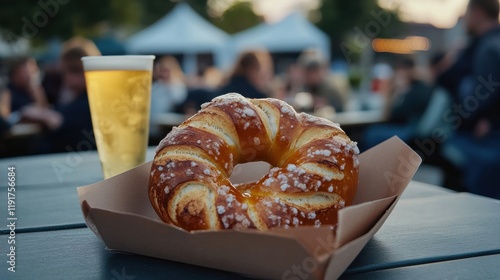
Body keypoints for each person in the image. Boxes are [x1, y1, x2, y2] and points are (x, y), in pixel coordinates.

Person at [437, 0, 500, 198]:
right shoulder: (483, 44)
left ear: (478, 13)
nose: (464, 19)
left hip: (484, 140)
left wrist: (489, 119)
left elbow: (479, 98)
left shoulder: (488, 47)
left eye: (466, 14)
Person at [21, 37, 101, 153]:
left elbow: (61, 123)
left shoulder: (93, 102)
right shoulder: (74, 97)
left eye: (76, 70)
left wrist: (44, 116)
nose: (69, 79)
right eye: (64, 72)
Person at [363, 57, 433, 150]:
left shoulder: (417, 89)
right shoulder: (418, 87)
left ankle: (368, 162)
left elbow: (395, 114)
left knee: (371, 134)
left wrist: (397, 92)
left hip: (409, 129)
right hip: (408, 126)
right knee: (371, 131)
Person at [149, 56, 188, 140]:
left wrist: (171, 83)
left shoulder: (177, 86)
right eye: (162, 70)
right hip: (155, 127)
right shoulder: (156, 87)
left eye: (167, 71)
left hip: (171, 127)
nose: (164, 74)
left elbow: (179, 99)